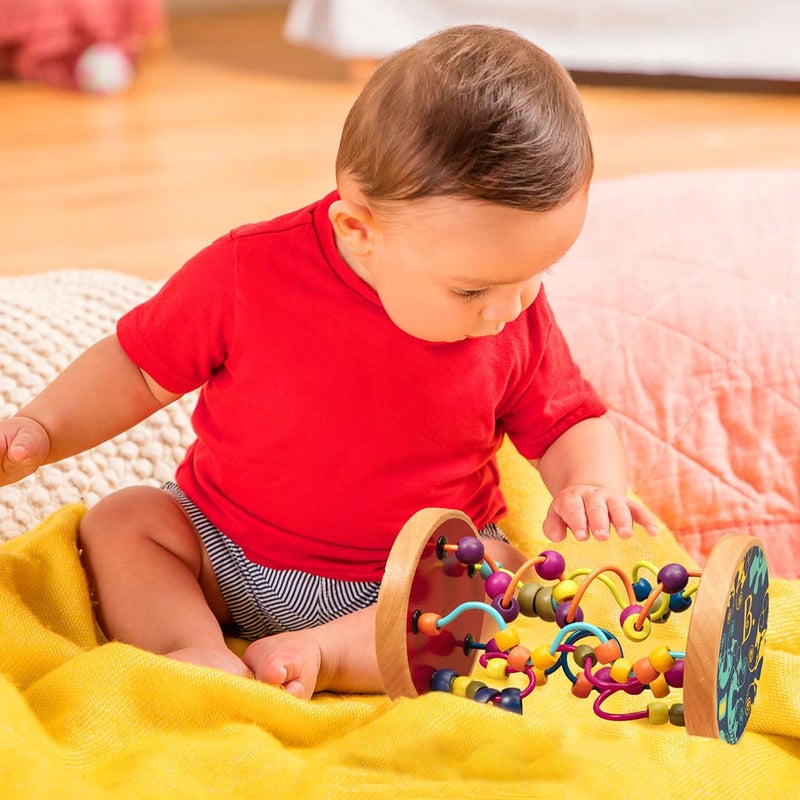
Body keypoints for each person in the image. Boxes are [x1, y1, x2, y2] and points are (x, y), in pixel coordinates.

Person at [0, 25, 657, 699]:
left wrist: (589, 482)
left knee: (497, 584)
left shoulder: (515, 314)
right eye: (472, 289)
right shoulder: (245, 274)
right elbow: (137, 367)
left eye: (537, 273)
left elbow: (572, 418)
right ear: (359, 232)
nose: (508, 308)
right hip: (223, 546)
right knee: (122, 521)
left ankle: (328, 653)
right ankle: (188, 646)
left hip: (407, 576)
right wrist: (43, 429)